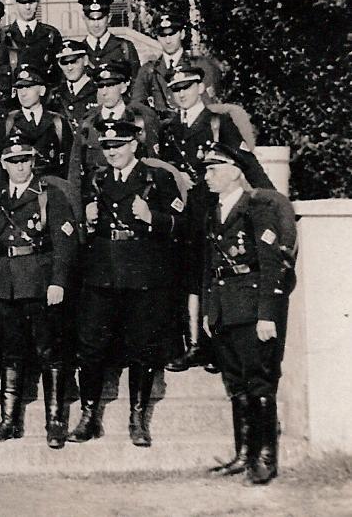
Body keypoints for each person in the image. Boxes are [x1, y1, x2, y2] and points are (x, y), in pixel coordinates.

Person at [70, 119, 184, 447]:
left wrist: (153, 218)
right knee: (91, 346)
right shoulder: (96, 179)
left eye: (118, 145)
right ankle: (89, 416)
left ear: (134, 145)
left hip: (143, 272)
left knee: (142, 346)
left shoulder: (157, 178)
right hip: (102, 271)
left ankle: (137, 419)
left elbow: (183, 224)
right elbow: (84, 231)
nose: (113, 152)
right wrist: (88, 220)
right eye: (107, 147)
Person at [159, 63, 271, 373]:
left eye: (187, 87)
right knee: (190, 275)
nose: (181, 94)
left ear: (200, 87)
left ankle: (214, 345)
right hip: (184, 212)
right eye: (176, 90)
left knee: (213, 273)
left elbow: (244, 161)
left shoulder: (217, 123)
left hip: (215, 207)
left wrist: (271, 200)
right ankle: (194, 344)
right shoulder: (169, 128)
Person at [200, 142, 296, 485]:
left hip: (252, 307)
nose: (207, 176)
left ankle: (265, 458)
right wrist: (209, 313)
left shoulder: (257, 208)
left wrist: (267, 315)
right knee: (236, 385)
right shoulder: (215, 211)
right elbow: (209, 268)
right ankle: (243, 454)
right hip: (226, 308)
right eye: (206, 170)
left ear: (235, 172)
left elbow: (272, 267)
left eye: (213, 169)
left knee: (259, 383)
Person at [0, 133, 76, 449]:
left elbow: (64, 243)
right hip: (5, 282)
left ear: (33, 162)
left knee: (49, 351)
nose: (20, 167)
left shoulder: (50, 195)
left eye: (25, 161)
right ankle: (9, 421)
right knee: (10, 353)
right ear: (4, 164)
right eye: (13, 161)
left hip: (39, 280)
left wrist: (58, 281)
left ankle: (56, 422)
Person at [78, 61, 159, 182]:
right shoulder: (88, 121)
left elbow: (155, 164)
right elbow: (76, 169)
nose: (104, 92)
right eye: (100, 86)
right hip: (98, 194)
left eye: (110, 85)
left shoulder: (142, 118)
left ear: (123, 87)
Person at [131, 12, 221, 114]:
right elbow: (136, 105)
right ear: (157, 37)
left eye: (172, 34)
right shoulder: (149, 70)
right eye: (163, 35)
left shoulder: (199, 65)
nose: (168, 40)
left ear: (182, 34)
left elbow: (209, 104)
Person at [0, 63, 73, 179]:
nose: (23, 93)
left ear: (42, 90)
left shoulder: (58, 122)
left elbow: (68, 163)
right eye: (19, 88)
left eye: (29, 87)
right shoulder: (7, 122)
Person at [3, 0, 62, 82]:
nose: (27, 7)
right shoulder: (4, 35)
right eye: (23, 3)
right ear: (15, 3)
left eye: (31, 2)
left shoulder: (51, 34)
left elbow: (58, 70)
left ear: (38, 1)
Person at [78, 0, 141, 83]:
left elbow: (137, 83)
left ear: (109, 18)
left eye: (100, 19)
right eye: (91, 19)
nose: (96, 25)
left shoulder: (125, 47)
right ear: (84, 19)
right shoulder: (79, 51)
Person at [47, 39, 97, 132]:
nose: (69, 68)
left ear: (85, 60)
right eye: (64, 63)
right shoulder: (55, 94)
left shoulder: (98, 90)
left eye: (74, 61)